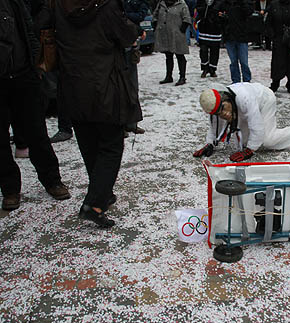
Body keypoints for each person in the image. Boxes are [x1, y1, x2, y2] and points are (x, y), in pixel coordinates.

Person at [48, 0, 141, 227]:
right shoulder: (106, 6)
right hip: (104, 84)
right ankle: (96, 203)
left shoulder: (58, 5)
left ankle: (103, 192)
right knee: (110, 145)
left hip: (72, 84)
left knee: (89, 143)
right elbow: (127, 35)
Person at [0, 0, 70, 211]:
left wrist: (35, 67)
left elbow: (29, 30)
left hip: (24, 75)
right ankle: (10, 188)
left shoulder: (14, 3)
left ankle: (52, 180)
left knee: (36, 132)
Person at [193, 83, 290, 161]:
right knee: (244, 143)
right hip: (244, 106)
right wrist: (210, 144)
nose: (224, 114)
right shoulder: (218, 104)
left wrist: (250, 150)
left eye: (223, 108)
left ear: (226, 99)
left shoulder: (244, 99)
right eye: (219, 113)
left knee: (267, 140)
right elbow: (215, 126)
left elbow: (257, 127)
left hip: (265, 100)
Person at [124, 0, 149, 136]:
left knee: (132, 86)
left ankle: (132, 123)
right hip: (118, 47)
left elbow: (141, 14)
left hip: (131, 43)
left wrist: (136, 29)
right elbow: (121, 16)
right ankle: (120, 124)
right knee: (120, 86)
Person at [153, 0, 192, 86]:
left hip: (177, 34)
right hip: (165, 34)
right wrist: (156, 24)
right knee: (168, 55)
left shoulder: (181, 4)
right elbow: (155, 15)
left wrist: (182, 29)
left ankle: (182, 77)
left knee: (180, 55)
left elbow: (187, 18)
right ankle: (168, 76)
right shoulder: (161, 3)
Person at [219, 0, 254, 83]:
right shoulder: (224, 4)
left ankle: (247, 81)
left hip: (242, 36)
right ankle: (235, 81)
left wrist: (242, 3)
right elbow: (219, 16)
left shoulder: (243, 3)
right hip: (229, 36)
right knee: (233, 62)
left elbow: (249, 12)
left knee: (244, 62)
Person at [265, 0, 290, 93]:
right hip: (278, 37)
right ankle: (275, 83)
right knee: (277, 62)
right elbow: (268, 22)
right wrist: (273, 35)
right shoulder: (274, 4)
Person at [196, 0, 223, 78]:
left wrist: (220, 16)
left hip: (216, 27)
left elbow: (223, 9)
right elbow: (198, 8)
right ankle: (205, 68)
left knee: (215, 51)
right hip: (204, 27)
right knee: (203, 50)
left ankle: (212, 69)